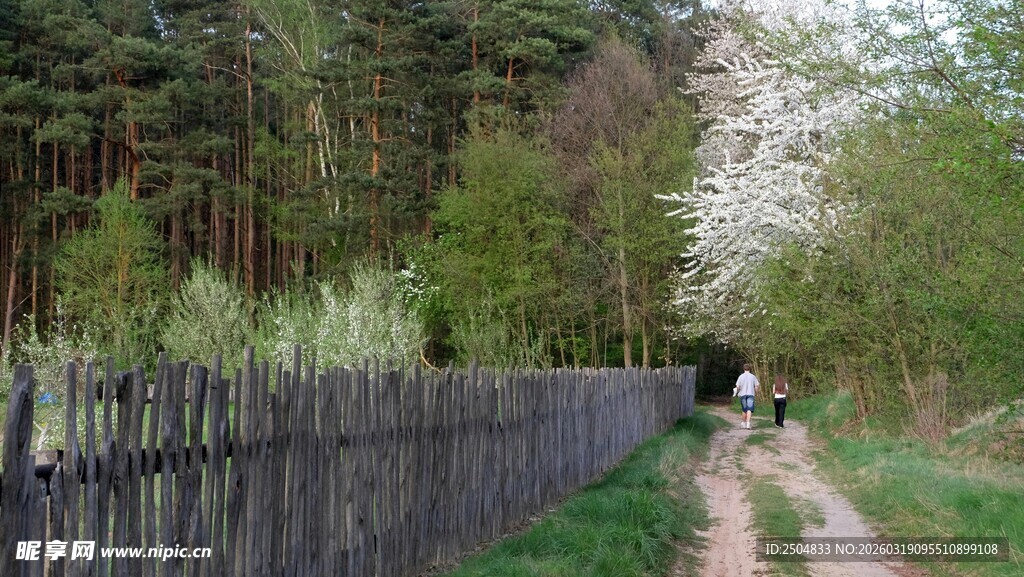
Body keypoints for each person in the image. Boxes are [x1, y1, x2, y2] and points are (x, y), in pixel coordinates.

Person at [733, 363, 759, 429]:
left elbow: (738, 387)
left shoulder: (741, 376)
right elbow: (756, 386)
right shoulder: (753, 376)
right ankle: (748, 423)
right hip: (751, 394)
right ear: (750, 369)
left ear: (743, 369)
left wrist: (736, 391)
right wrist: (757, 393)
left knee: (744, 409)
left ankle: (743, 423)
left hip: (743, 394)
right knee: (749, 409)